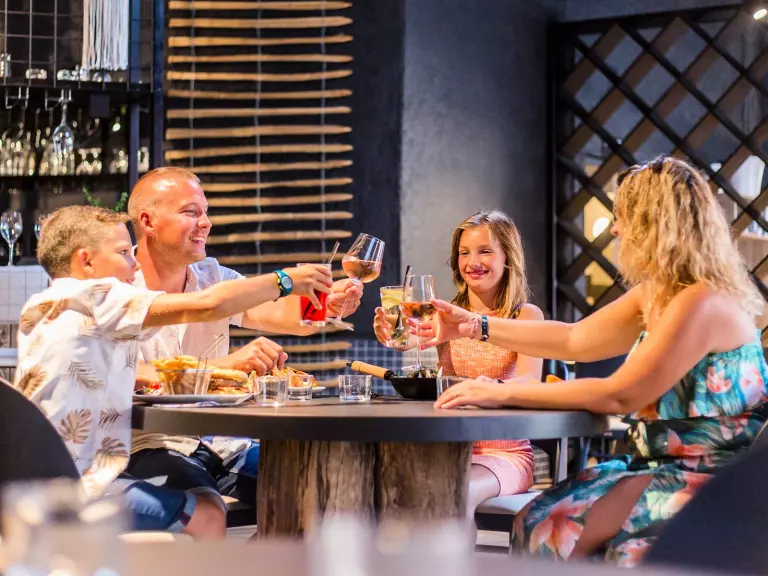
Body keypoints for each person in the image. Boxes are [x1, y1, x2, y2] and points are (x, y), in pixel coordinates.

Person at [424, 157, 768, 566]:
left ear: (654, 222)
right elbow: (574, 339)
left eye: (622, 217)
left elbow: (620, 395)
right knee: (535, 521)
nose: (615, 229)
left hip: (711, 480)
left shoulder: (703, 302)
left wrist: (502, 392)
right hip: (657, 464)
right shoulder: (662, 293)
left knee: (549, 530)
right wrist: (474, 325)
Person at [14, 205, 331, 538]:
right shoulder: (95, 296)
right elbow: (208, 304)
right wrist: (284, 280)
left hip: (31, 479)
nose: (135, 264)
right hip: (69, 488)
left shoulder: (44, 306)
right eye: (123, 253)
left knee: (210, 502)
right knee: (209, 515)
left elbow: (168, 354)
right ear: (86, 261)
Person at [125, 167, 364, 532]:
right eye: (190, 212)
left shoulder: (213, 276)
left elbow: (276, 312)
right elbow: (127, 374)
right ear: (148, 222)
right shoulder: (118, 288)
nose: (205, 223)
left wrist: (326, 306)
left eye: (206, 212)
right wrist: (225, 365)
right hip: (148, 444)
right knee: (209, 506)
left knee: (321, 488)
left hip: (219, 441)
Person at [373, 211, 544, 523]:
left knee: (454, 491)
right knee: (388, 485)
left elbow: (529, 383)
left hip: (504, 454)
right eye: (464, 253)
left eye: (484, 251)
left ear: (508, 257)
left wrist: (487, 389)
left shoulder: (526, 316)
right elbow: (406, 339)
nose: (472, 262)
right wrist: (390, 333)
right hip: (448, 448)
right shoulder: (447, 314)